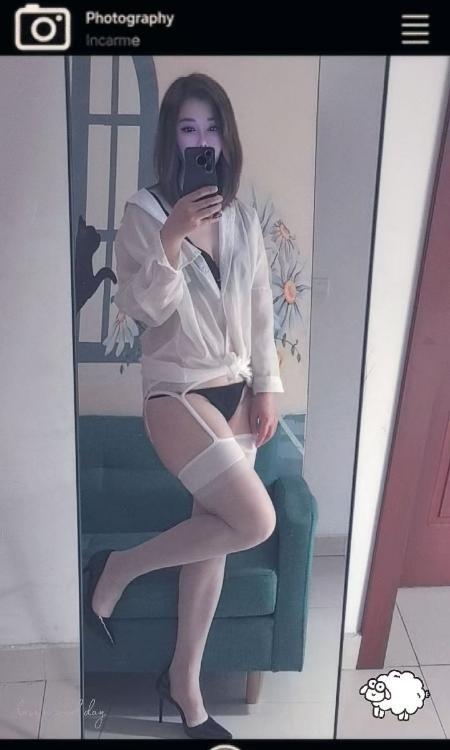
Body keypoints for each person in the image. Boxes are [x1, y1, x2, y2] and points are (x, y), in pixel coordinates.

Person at [83, 72, 284, 740]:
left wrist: (267, 385)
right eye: (189, 129)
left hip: (236, 390)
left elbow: (260, 312)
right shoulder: (144, 213)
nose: (202, 141)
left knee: (214, 541)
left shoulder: (243, 220)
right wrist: (171, 237)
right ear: (171, 140)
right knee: (255, 519)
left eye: (212, 128)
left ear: (226, 139)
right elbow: (143, 309)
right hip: (175, 390)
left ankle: (185, 688)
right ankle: (118, 568)